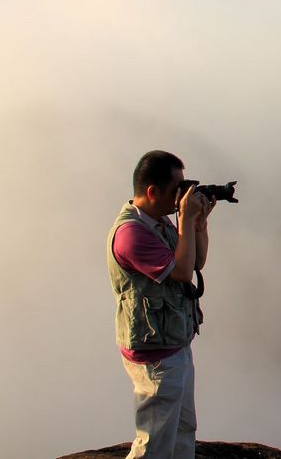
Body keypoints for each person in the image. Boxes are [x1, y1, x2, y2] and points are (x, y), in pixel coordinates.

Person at [107, 150, 215, 459]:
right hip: (155, 355)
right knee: (154, 442)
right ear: (153, 192)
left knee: (182, 429)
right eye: (176, 188)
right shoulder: (131, 234)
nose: (181, 195)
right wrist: (185, 223)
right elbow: (181, 272)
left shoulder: (158, 222)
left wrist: (197, 223)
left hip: (174, 343)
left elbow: (197, 262)